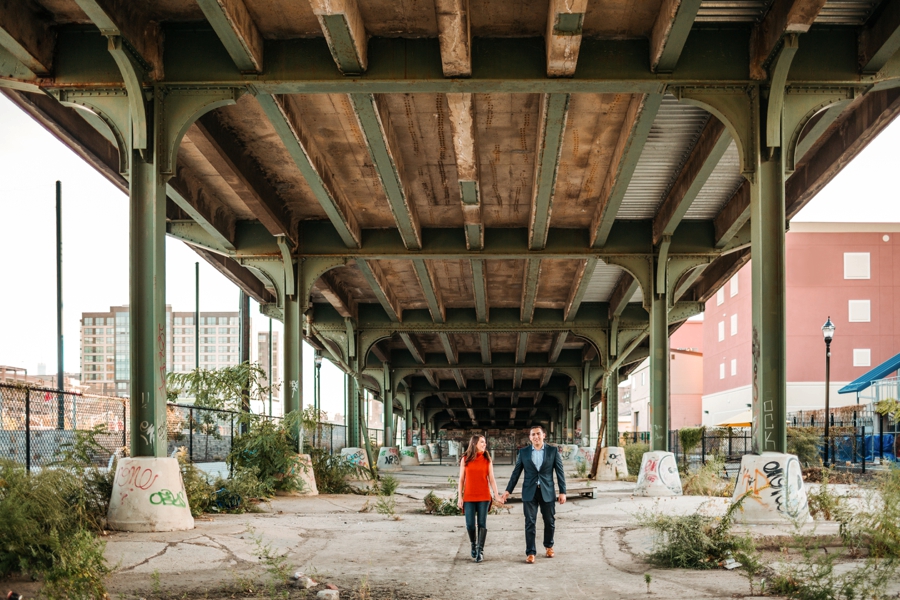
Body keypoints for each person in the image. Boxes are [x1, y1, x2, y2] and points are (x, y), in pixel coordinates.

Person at [500, 424, 566, 563]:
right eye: (533, 434)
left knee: (549, 521)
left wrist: (562, 492)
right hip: (529, 492)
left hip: (547, 491)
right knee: (530, 522)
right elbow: (516, 473)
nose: (536, 436)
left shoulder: (553, 451)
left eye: (538, 434)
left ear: (543, 435)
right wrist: (508, 490)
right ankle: (530, 552)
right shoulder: (523, 453)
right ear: (530, 437)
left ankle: (549, 546)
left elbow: (560, 472)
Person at [456, 435, 502, 563]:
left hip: (484, 496)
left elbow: (492, 479)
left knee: (482, 524)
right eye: (482, 442)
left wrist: (497, 495)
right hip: (469, 497)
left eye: (485, 442)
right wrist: (460, 497)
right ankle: (473, 544)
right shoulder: (465, 459)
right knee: (470, 524)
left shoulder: (487, 459)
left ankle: (480, 551)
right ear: (475, 443)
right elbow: (461, 479)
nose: (484, 444)